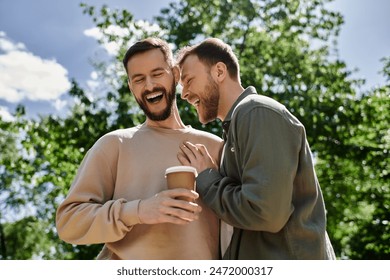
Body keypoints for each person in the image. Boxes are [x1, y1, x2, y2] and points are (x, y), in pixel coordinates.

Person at [56, 38, 223, 260]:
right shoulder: (115, 145)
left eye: (157, 74)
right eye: (139, 79)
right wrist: (139, 211)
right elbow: (69, 223)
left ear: (175, 74)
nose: (150, 86)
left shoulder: (216, 148)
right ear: (131, 87)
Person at [176, 38, 336, 259]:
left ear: (219, 71)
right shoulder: (237, 127)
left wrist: (208, 179)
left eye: (188, 80)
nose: (183, 94)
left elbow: (265, 212)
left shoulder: (256, 112)